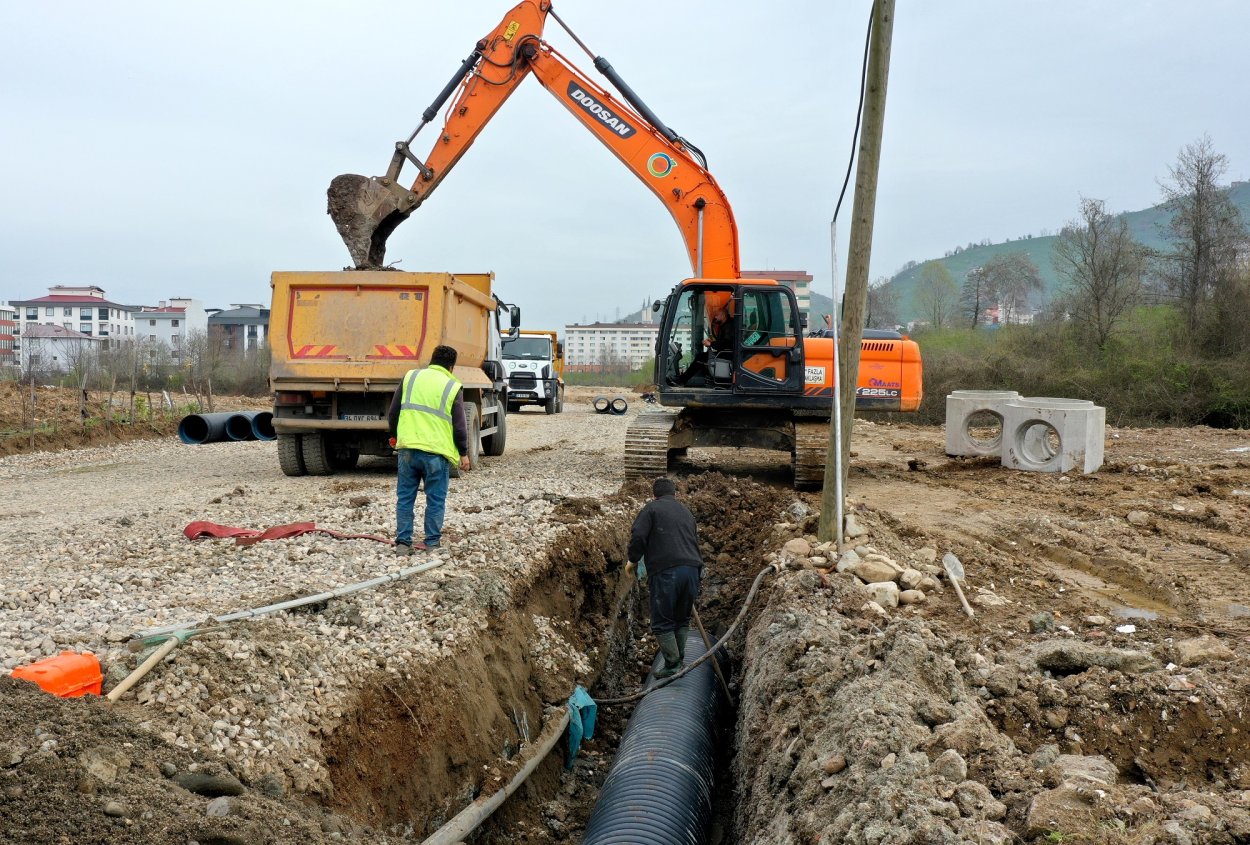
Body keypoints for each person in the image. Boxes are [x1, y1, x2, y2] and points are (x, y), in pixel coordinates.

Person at [387, 345, 471, 555]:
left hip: (408, 449)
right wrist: (463, 453)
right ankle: (432, 543)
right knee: (435, 499)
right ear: (451, 367)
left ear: (431, 360)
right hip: (435, 453)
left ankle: (403, 544)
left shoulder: (411, 377)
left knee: (405, 497)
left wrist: (396, 436)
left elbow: (393, 413)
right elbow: (460, 426)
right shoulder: (452, 386)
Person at [626, 477, 704, 678]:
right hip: (693, 570)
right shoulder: (686, 512)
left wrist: (633, 559)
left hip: (667, 571)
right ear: (675, 494)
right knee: (682, 618)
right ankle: (679, 659)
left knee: (662, 621)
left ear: (654, 495)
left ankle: (672, 664)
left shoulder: (651, 509)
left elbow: (638, 536)